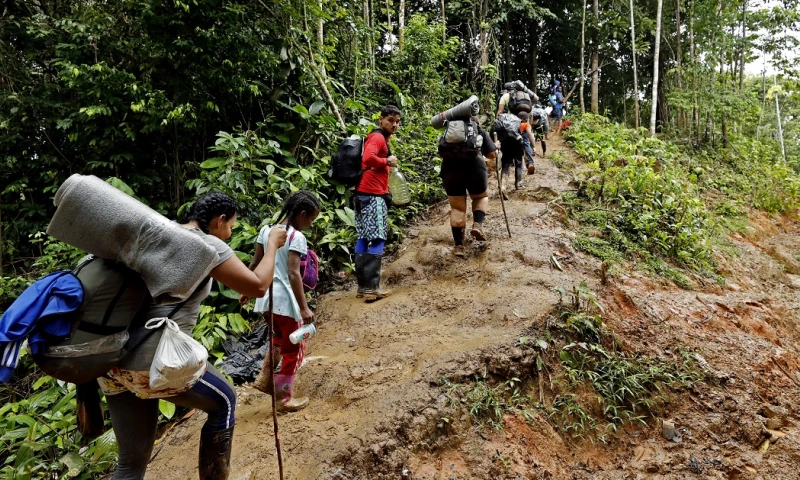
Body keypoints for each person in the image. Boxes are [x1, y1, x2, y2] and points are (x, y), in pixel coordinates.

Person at [98, 191, 287, 480]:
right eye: (231, 226)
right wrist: (272, 245)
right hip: (154, 361)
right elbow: (258, 286)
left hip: (110, 361)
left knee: (129, 464)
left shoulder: (159, 235)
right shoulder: (206, 243)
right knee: (224, 401)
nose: (230, 233)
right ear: (220, 220)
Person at [241, 191, 321, 412]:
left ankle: (266, 380)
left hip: (266, 300)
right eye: (311, 220)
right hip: (285, 301)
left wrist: (246, 289)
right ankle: (283, 399)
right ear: (302, 214)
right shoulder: (296, 237)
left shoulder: (266, 231)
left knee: (277, 338)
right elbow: (294, 273)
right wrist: (304, 308)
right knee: (295, 349)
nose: (310, 225)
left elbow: (256, 262)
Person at [353, 104, 401, 302]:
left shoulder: (380, 137)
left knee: (364, 237)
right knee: (378, 238)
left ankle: (364, 287)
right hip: (372, 195)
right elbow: (368, 158)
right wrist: (387, 162)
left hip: (364, 194)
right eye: (390, 120)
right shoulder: (378, 137)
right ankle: (372, 288)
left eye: (397, 122)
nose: (394, 125)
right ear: (380, 119)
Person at [439, 116, 498, 257]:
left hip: (450, 169)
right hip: (474, 168)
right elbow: (492, 154)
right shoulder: (478, 130)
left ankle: (459, 246)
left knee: (457, 208)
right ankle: (477, 224)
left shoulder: (449, 131)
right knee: (481, 197)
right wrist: (496, 148)